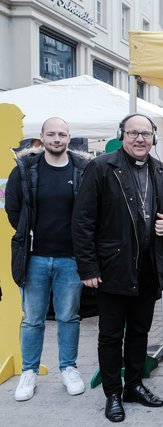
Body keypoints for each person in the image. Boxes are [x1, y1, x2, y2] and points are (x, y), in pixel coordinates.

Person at [72, 113, 163, 423]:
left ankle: (134, 384)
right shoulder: (101, 167)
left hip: (148, 266)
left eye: (145, 134)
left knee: (139, 332)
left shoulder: (161, 171)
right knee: (110, 335)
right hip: (111, 267)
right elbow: (82, 221)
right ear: (122, 135)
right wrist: (88, 267)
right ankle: (113, 394)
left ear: (153, 138)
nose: (140, 139)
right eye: (133, 133)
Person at [5, 117, 90, 402]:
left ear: (69, 137)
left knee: (69, 317)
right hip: (34, 257)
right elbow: (14, 208)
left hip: (71, 258)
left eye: (62, 134)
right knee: (32, 320)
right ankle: (29, 372)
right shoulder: (25, 169)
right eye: (51, 134)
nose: (57, 138)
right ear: (41, 137)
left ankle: (68, 368)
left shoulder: (82, 169)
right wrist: (29, 235)